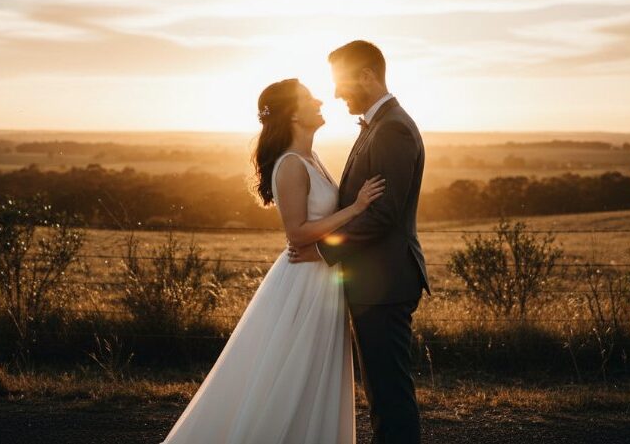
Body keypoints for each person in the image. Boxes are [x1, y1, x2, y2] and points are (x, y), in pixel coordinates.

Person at [160, 77, 384, 444]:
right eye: (308, 98)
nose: (318, 101)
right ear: (292, 114)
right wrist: (357, 208)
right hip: (305, 281)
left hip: (322, 276)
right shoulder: (291, 164)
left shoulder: (311, 158)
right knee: (292, 375)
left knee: (313, 376)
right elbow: (296, 233)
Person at [288, 40, 431, 444]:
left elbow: (383, 215)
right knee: (382, 392)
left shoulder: (393, 130)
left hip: (385, 283)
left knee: (389, 395)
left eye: (342, 82)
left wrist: (321, 250)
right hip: (376, 281)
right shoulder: (381, 125)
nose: (335, 93)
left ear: (368, 76)